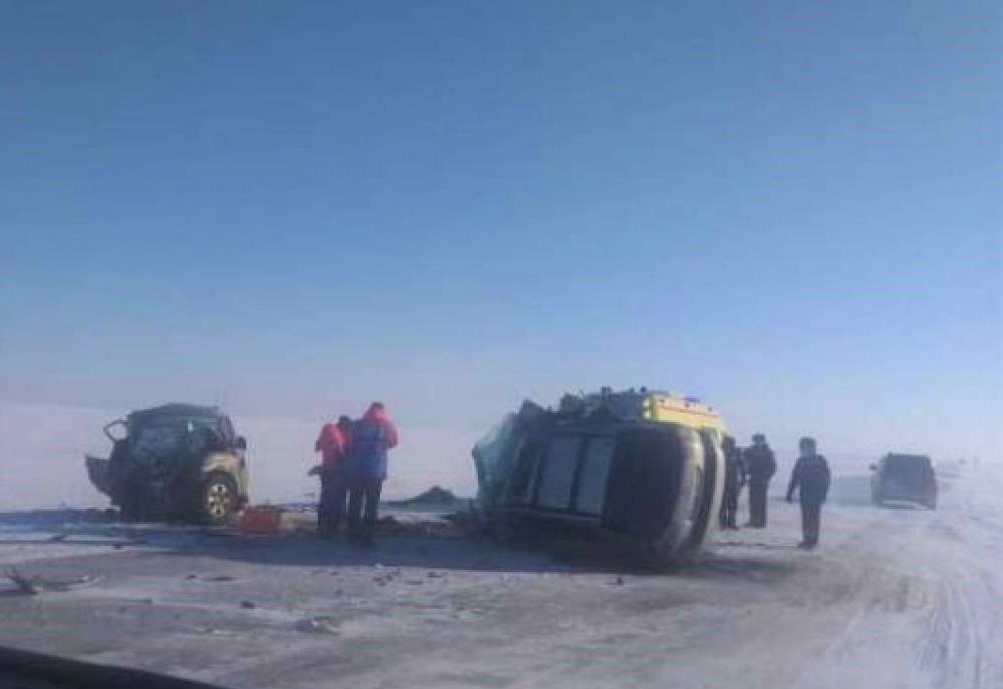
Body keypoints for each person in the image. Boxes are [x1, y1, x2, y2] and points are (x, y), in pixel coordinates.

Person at [345, 402, 399, 546]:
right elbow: (394, 442)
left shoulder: (357, 425)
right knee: (371, 505)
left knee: (355, 502)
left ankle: (352, 535)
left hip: (357, 470)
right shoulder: (388, 426)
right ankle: (367, 537)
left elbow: (348, 445)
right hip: (376, 471)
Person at [311, 415, 353, 537]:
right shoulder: (337, 435)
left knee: (326, 498)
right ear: (345, 426)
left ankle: (323, 525)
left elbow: (317, 446)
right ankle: (332, 527)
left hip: (326, 470)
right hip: (335, 471)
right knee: (337, 500)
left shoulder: (329, 431)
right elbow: (340, 454)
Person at [786, 437, 831, 549]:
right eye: (803, 447)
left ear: (812, 447)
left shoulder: (820, 460)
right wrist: (789, 493)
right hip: (804, 493)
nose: (804, 449)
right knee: (805, 517)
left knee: (814, 517)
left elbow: (826, 478)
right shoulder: (800, 461)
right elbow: (794, 478)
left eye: (807, 447)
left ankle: (813, 540)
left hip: (816, 493)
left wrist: (824, 493)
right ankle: (806, 539)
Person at [743, 433, 776, 528]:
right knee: (752, 500)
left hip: (763, 479)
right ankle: (753, 520)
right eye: (756, 440)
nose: (757, 442)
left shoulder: (768, 452)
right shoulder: (750, 451)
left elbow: (772, 467)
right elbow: (744, 460)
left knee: (761, 501)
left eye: (759, 440)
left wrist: (767, 477)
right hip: (753, 478)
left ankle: (761, 522)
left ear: (763, 441)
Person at [718, 435, 745, 530]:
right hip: (722, 481)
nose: (729, 445)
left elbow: (742, 467)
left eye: (730, 443)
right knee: (722, 504)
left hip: (733, 482)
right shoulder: (720, 452)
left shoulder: (736, 453)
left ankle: (731, 523)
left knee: (733, 503)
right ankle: (722, 523)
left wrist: (743, 480)